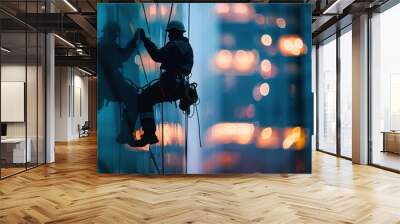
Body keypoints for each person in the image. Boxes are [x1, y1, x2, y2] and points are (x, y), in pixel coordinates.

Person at [131, 20, 194, 147]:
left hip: (172, 84)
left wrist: (145, 40)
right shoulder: (185, 46)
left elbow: (157, 56)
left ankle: (149, 134)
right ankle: (149, 133)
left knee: (144, 98)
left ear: (175, 33)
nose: (169, 36)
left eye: (170, 33)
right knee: (147, 98)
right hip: (178, 85)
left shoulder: (176, 46)